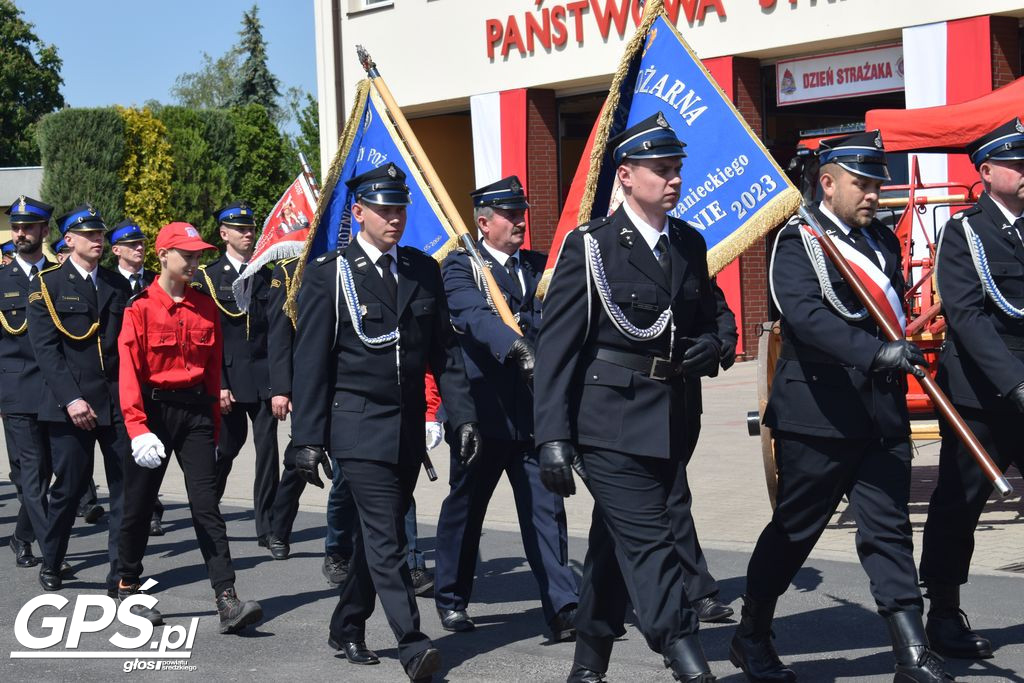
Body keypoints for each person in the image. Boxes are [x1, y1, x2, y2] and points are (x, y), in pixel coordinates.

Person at [730, 131, 951, 682]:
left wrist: (893, 353)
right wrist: (878, 354)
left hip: (879, 414)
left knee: (889, 531)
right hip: (819, 417)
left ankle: (911, 654)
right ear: (827, 183)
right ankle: (751, 632)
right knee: (794, 532)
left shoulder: (879, 241)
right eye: (863, 183)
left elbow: (892, 307)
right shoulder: (797, 240)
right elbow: (806, 316)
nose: (875, 193)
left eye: (878, 182)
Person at [534, 113, 724, 682]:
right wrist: (551, 438)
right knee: (651, 542)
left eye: (677, 170)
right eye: (661, 170)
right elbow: (557, 351)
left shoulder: (688, 242)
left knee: (612, 548)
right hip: (608, 424)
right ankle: (687, 657)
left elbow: (716, 317)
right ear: (625, 176)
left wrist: (712, 345)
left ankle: (588, 665)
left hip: (672, 421)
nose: (673, 180)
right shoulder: (591, 247)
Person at [291, 163, 480, 681]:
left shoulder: (422, 270)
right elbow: (311, 362)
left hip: (406, 430)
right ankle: (413, 642)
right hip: (355, 426)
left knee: (379, 539)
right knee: (389, 537)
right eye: (383, 209)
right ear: (359, 213)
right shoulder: (330, 275)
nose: (394, 218)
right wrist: (305, 438)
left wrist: (460, 415)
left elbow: (445, 352)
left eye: (399, 209)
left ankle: (347, 623)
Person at [436, 175, 579, 640]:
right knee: (467, 508)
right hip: (482, 414)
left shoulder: (539, 268)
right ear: (483, 222)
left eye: (522, 213)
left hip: (535, 413)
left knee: (546, 510)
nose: (520, 221)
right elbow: (474, 317)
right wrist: (517, 347)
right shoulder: (460, 268)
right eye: (510, 215)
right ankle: (452, 598)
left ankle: (563, 607)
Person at [116, 221, 262, 633]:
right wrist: (137, 427)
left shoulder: (205, 307)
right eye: (188, 255)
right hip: (155, 413)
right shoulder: (140, 307)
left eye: (199, 255)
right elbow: (129, 371)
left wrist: (214, 428)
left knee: (206, 506)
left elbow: (213, 372)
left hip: (196, 413)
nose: (195, 262)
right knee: (139, 504)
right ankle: (127, 583)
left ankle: (226, 598)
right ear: (163, 255)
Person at [918, 118, 1024, 660]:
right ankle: (942, 613)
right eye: (1016, 164)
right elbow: (967, 315)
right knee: (958, 505)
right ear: (985, 172)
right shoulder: (964, 232)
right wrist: (1015, 384)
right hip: (982, 395)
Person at [28, 203, 129, 594]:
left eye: (101, 234)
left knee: (124, 490)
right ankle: (52, 559)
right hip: (71, 406)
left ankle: (119, 573)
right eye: (89, 235)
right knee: (68, 489)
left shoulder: (115, 285)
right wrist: (71, 399)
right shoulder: (48, 284)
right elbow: (47, 350)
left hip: (116, 402)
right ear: (68, 240)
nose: (98, 241)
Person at [193, 202, 279, 546]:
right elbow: (206, 338)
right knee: (226, 449)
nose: (248, 234)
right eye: (239, 229)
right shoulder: (208, 278)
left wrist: (280, 384)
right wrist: (219, 384)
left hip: (263, 378)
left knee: (268, 453)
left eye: (251, 228)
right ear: (223, 234)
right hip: (227, 379)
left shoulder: (266, 274)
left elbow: (276, 333)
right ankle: (207, 511)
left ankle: (268, 528)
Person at [678, 281, 738, 623]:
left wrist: (718, 344)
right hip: (626, 406)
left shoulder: (684, 253)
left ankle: (602, 597)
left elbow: (718, 313)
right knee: (671, 497)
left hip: (682, 399)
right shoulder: (600, 250)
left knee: (626, 513)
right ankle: (697, 590)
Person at [1, 196, 55, 568]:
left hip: (57, 389)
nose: (20, 233)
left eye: (28, 227)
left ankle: (20, 534)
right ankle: (54, 551)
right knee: (33, 475)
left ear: (43, 231)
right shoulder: (1, 280)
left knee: (54, 470)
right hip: (17, 387)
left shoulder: (61, 275)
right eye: (16, 227)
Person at [106, 218, 163, 535]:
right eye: (131, 245)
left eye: (141, 243)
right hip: (119, 379)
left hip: (153, 378)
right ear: (116, 250)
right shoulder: (110, 283)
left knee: (154, 442)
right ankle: (140, 509)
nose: (139, 248)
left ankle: (152, 508)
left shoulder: (155, 281)